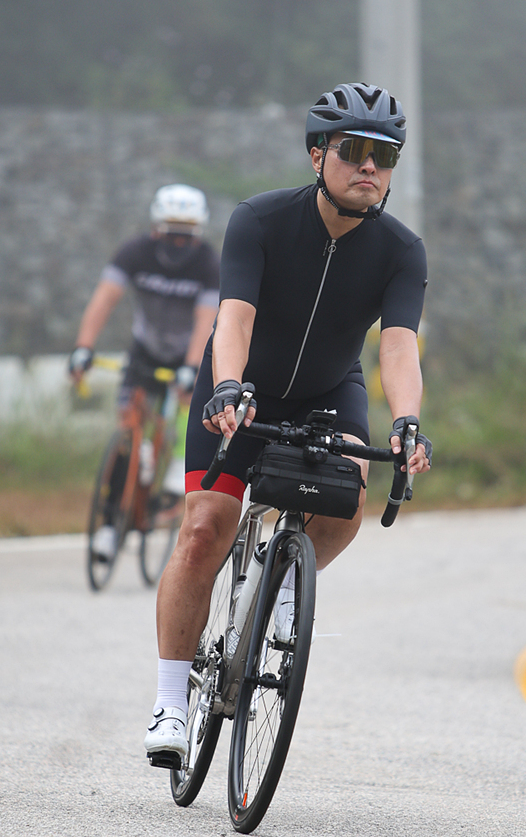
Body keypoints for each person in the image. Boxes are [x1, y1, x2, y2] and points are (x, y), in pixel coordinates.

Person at [144, 82, 431, 765]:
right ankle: (170, 701)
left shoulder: (401, 250)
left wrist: (407, 422)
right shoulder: (260, 220)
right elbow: (235, 319)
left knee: (347, 500)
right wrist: (227, 387)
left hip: (329, 390)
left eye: (385, 156)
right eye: (353, 150)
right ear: (316, 155)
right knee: (204, 529)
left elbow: (398, 347)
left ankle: (280, 587)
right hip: (241, 382)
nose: (370, 167)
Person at [67, 184, 221, 562]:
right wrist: (83, 347)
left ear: (199, 232)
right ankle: (109, 525)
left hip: (187, 353)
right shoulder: (134, 252)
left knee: (188, 404)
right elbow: (104, 298)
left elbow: (206, 319)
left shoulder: (208, 264)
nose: (178, 242)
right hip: (144, 351)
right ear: (155, 228)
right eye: (171, 233)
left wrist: (191, 368)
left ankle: (175, 473)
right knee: (127, 432)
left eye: (187, 234)